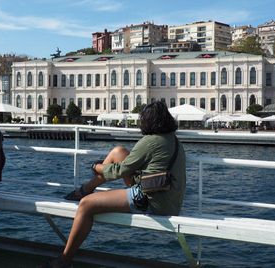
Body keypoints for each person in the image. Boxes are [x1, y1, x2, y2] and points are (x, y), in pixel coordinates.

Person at [39, 101, 186, 268]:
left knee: (86, 205)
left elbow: (121, 171)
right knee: (119, 152)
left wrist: (97, 167)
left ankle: (64, 261)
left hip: (153, 200)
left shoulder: (151, 141)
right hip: (169, 198)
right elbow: (127, 165)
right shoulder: (173, 140)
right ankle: (87, 188)